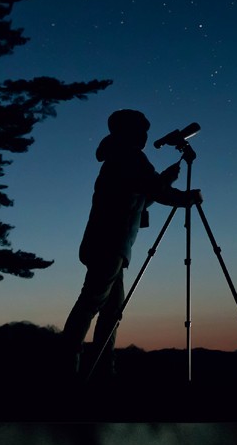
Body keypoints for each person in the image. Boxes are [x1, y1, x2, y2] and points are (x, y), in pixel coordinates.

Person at [62, 109, 200, 379]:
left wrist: (168, 179)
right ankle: (70, 370)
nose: (146, 135)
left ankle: (101, 369)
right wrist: (184, 197)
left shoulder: (119, 156)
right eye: (142, 130)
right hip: (110, 244)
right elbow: (154, 191)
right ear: (128, 131)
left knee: (111, 311)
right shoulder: (129, 155)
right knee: (91, 304)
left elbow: (142, 198)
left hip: (110, 244)